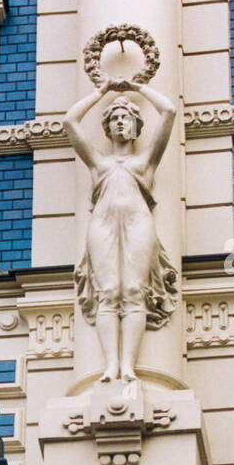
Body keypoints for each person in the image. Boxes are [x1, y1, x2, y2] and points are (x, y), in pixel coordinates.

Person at [65, 76, 178, 383]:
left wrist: (137, 87)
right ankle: (110, 366)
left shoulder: (145, 163)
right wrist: (101, 92)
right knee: (108, 293)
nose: (119, 122)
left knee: (132, 292)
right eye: (114, 118)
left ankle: (128, 365)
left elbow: (168, 112)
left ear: (135, 125)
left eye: (125, 117)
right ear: (108, 126)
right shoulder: (98, 164)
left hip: (138, 224)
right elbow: (70, 120)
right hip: (102, 226)